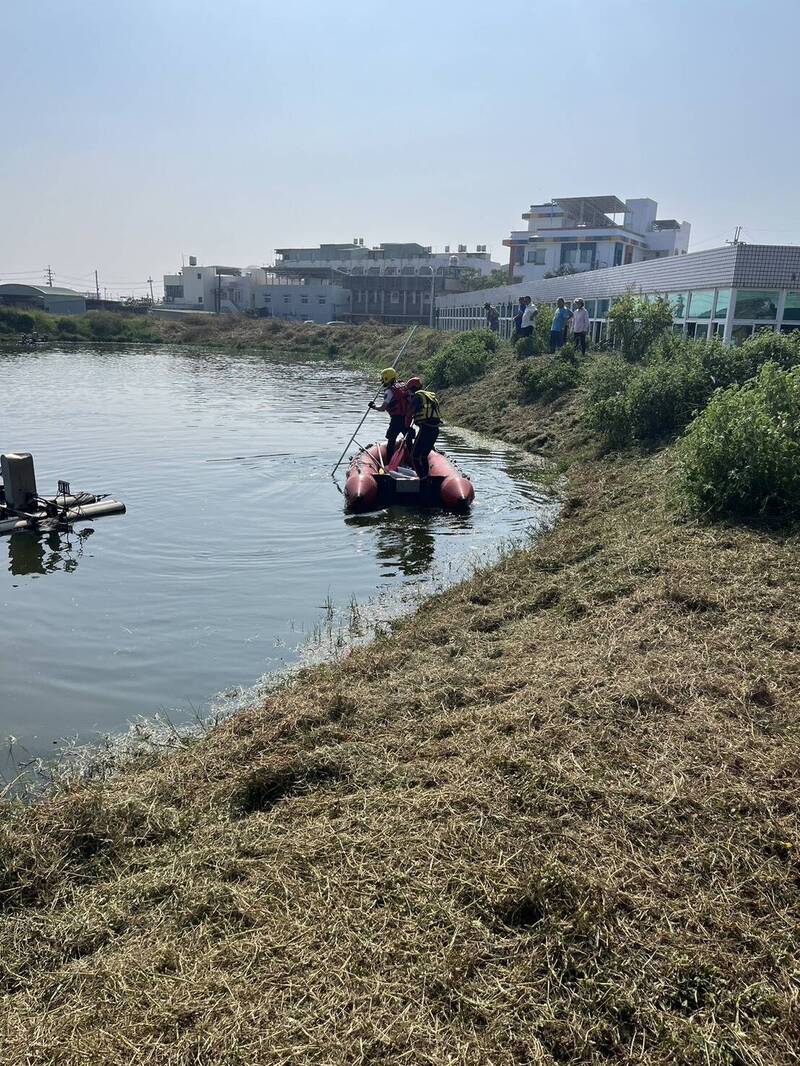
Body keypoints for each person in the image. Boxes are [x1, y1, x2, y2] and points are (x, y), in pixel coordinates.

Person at [368, 368, 408, 463]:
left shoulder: (389, 391)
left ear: (387, 378)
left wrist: (373, 406)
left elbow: (382, 408)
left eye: (383, 378)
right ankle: (412, 461)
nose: (381, 381)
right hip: (407, 419)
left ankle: (390, 462)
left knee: (391, 441)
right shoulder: (402, 386)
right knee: (409, 440)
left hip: (396, 420)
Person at [405, 376, 442, 480]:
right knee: (424, 455)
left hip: (426, 429)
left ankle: (422, 478)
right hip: (435, 429)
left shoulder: (417, 397)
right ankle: (426, 477)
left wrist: (408, 428)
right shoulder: (429, 396)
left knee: (414, 456)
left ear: (412, 389)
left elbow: (409, 414)